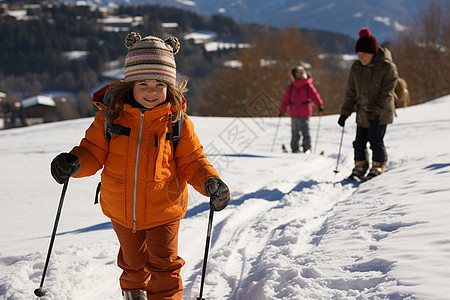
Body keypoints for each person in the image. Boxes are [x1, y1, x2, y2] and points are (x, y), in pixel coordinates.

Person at [50, 32, 230, 300]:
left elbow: (192, 160)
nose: (151, 91)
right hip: (121, 209)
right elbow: (92, 151)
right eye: (143, 83)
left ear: (169, 86)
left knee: (165, 265)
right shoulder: (111, 117)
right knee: (132, 263)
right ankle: (133, 294)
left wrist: (209, 182)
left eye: (159, 84)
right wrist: (74, 163)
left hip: (165, 208)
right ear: (130, 83)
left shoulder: (176, 120)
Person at [338, 27, 398, 179]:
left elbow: (387, 92)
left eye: (364, 55)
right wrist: (345, 112)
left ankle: (378, 164)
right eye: (359, 54)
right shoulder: (356, 68)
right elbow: (351, 91)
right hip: (363, 110)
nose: (361, 58)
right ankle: (360, 165)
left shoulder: (387, 67)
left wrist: (378, 110)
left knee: (375, 140)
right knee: (359, 141)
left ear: (372, 53)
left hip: (381, 111)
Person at [279, 65, 324, 153]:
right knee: (295, 132)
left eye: (301, 73)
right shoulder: (291, 87)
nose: (299, 75)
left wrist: (320, 105)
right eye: (297, 73)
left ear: (304, 74)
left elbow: (315, 96)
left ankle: (307, 148)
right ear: (294, 75)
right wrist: (281, 111)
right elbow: (285, 100)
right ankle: (294, 148)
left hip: (305, 112)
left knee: (305, 132)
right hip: (294, 112)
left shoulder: (308, 86)